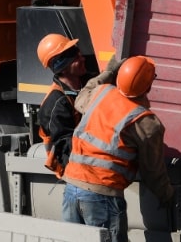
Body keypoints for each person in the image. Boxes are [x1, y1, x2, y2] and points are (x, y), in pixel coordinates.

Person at [62, 55, 174, 242]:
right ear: (148, 86)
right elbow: (152, 172)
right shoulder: (146, 122)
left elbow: (83, 95)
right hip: (102, 196)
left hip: (72, 187)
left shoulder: (101, 93)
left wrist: (108, 72)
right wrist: (167, 195)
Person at [34, 34, 95, 177]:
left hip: (89, 162)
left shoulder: (87, 82)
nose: (83, 59)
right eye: (75, 58)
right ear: (62, 67)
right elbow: (67, 146)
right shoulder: (55, 104)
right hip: (73, 169)